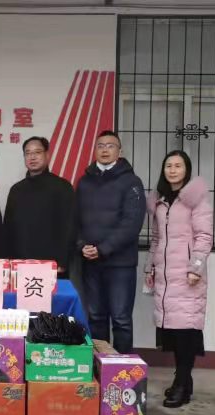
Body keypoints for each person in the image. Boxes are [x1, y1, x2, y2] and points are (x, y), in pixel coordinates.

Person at [144, 150, 213, 408]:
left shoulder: (197, 200)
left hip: (187, 276)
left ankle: (182, 384)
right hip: (165, 276)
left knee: (186, 332)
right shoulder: (160, 201)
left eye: (178, 166)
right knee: (172, 332)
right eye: (168, 166)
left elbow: (204, 236)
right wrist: (149, 267)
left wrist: (196, 268)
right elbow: (156, 238)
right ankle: (183, 380)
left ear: (187, 170)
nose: (172, 170)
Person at [76, 130, 146, 354]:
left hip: (120, 264)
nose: (105, 150)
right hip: (91, 262)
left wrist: (104, 249)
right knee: (95, 317)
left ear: (119, 151)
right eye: (100, 146)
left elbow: (132, 224)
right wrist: (82, 245)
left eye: (110, 146)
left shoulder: (131, 182)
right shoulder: (84, 182)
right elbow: (75, 219)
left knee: (121, 319)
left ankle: (122, 369)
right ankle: (100, 367)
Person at [4, 136, 76, 277]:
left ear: (47, 155)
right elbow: (8, 228)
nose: (32, 157)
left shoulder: (62, 187)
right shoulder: (16, 190)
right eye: (28, 153)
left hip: (53, 264)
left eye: (37, 152)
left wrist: (63, 261)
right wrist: (8, 260)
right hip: (20, 264)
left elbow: (70, 226)